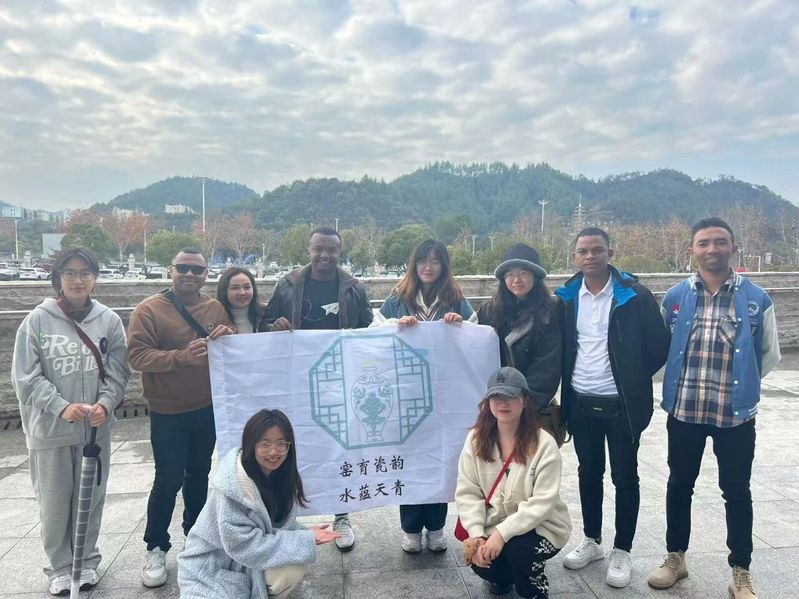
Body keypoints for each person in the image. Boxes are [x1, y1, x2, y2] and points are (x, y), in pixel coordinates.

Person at [647, 218, 781, 599]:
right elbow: (663, 345)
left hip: (734, 415)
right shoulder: (675, 297)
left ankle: (740, 570)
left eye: (720, 242)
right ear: (692, 249)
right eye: (703, 243)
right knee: (679, 484)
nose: (712, 249)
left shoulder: (757, 299)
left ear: (733, 248)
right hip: (684, 411)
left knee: (736, 490)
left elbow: (768, 355)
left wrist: (744, 384)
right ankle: (676, 557)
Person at [554, 227, 669, 588]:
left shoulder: (634, 296)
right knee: (588, 473)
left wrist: (631, 378)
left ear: (610, 253)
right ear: (575, 257)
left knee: (625, 477)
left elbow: (658, 346)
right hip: (580, 401)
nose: (590, 256)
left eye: (597, 250)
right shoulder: (566, 298)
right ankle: (592, 540)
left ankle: (622, 549)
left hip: (622, 406)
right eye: (583, 251)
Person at [11, 247, 130, 595]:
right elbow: (25, 377)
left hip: (94, 431)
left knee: (90, 500)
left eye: (85, 273)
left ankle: (86, 560)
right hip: (51, 431)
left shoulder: (109, 320)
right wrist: (60, 406)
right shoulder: (37, 321)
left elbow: (118, 371)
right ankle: (60, 567)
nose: (78, 280)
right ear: (58, 278)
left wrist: (106, 403)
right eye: (70, 273)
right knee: (54, 504)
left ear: (95, 278)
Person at [257, 226, 373, 551]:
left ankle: (342, 515)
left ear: (340, 252)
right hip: (295, 381)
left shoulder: (353, 289)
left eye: (331, 250)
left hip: (339, 380)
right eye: (318, 249)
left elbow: (370, 330)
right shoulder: (287, 285)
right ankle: (284, 517)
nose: (324, 255)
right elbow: (263, 325)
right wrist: (274, 326)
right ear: (308, 250)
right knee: (291, 445)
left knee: (340, 447)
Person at [127, 247, 235, 588]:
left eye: (197, 269)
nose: (189, 274)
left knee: (199, 475)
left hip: (207, 407)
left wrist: (229, 337)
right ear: (170, 270)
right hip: (168, 410)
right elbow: (137, 356)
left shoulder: (214, 308)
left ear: (206, 275)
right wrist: (181, 357)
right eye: (183, 268)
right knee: (167, 480)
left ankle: (196, 537)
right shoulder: (149, 310)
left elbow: (231, 342)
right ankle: (156, 546)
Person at [372, 239, 477, 554]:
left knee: (441, 459)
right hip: (407, 395)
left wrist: (460, 326)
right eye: (423, 261)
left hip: (445, 397)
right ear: (414, 265)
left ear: (444, 266)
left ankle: (436, 526)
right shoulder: (398, 299)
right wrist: (396, 325)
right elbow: (373, 333)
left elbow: (477, 336)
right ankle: (410, 528)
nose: (428, 267)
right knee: (410, 461)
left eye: (435, 261)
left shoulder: (455, 299)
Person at [178, 409, 339, 598]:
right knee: (293, 559)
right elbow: (244, 545)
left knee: (292, 567)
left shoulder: (281, 477)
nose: (274, 451)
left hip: (243, 562)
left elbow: (272, 527)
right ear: (251, 445)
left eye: (281, 444)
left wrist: (304, 532)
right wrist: (305, 539)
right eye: (265, 444)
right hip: (212, 566)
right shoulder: (234, 488)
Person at [456, 367, 572, 599]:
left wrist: (501, 534)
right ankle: (502, 578)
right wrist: (478, 537)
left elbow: (542, 502)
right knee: (484, 562)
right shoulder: (475, 439)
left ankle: (535, 591)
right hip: (494, 521)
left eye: (510, 396)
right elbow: (468, 492)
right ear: (487, 402)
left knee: (520, 552)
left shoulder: (544, 444)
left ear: (525, 400)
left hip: (544, 526)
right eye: (496, 397)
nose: (503, 403)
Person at [477, 243, 561, 410]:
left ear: (535, 276)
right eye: (510, 274)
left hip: (531, 405)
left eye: (523, 273)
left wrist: (525, 404)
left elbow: (548, 365)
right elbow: (474, 348)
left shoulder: (549, 312)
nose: (516, 280)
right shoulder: (489, 310)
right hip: (496, 402)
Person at [217, 267, 266, 333]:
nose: (242, 293)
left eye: (247, 287)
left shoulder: (265, 313)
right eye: (235, 288)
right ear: (224, 291)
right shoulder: (214, 317)